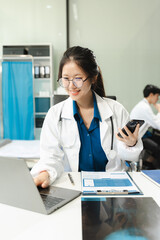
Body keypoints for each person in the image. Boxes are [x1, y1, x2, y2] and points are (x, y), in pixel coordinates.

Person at [31, 46, 142, 188]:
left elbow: (130, 158)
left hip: (113, 186)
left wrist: (131, 145)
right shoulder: (55, 114)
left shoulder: (116, 110)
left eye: (78, 78)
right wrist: (45, 173)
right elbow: (50, 157)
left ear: (93, 78)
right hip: (75, 187)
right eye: (65, 79)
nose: (71, 86)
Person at [130, 84, 160, 168]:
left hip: (141, 135)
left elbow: (153, 122)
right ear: (151, 95)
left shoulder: (143, 105)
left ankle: (151, 165)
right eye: (157, 96)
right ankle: (156, 168)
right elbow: (157, 125)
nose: (157, 99)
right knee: (158, 148)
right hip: (138, 138)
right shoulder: (144, 107)